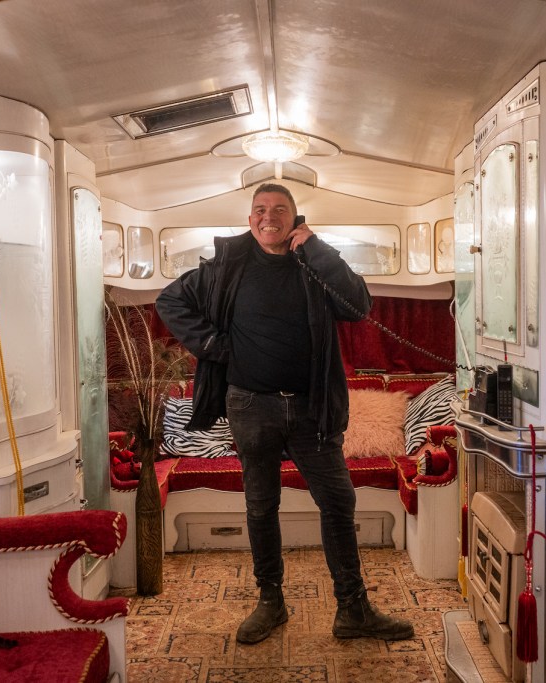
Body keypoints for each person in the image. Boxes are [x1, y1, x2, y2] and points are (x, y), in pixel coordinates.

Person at [156, 183, 414, 645]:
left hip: (313, 408)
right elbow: (170, 301)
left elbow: (359, 305)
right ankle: (270, 602)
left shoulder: (313, 263)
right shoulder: (226, 266)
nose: (267, 216)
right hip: (251, 406)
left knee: (337, 502)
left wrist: (316, 248)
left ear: (296, 219)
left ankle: (353, 609)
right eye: (259, 209)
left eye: (279, 209)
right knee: (260, 505)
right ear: (250, 217)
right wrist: (213, 345)